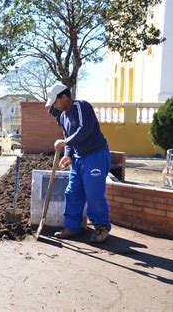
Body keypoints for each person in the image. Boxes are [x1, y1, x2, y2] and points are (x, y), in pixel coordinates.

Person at [45, 82, 111, 243]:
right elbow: (70, 140)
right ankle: (72, 227)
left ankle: (102, 228)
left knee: (93, 193)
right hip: (78, 159)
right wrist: (68, 155)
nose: (55, 105)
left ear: (64, 96)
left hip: (95, 156)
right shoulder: (63, 117)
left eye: (56, 101)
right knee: (72, 192)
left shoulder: (81, 107)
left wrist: (65, 142)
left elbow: (85, 129)